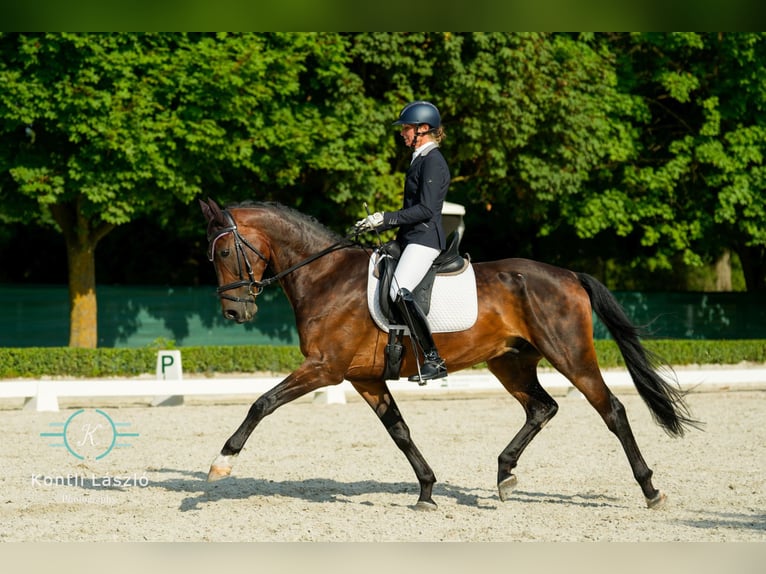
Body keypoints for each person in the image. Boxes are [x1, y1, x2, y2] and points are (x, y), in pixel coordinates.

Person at [355, 100, 450, 382]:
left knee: (399, 289)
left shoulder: (433, 160)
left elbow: (426, 210)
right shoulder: (419, 158)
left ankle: (433, 358)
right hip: (409, 238)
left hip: (424, 239)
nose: (402, 133)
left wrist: (385, 217)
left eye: (407, 128)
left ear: (423, 129)